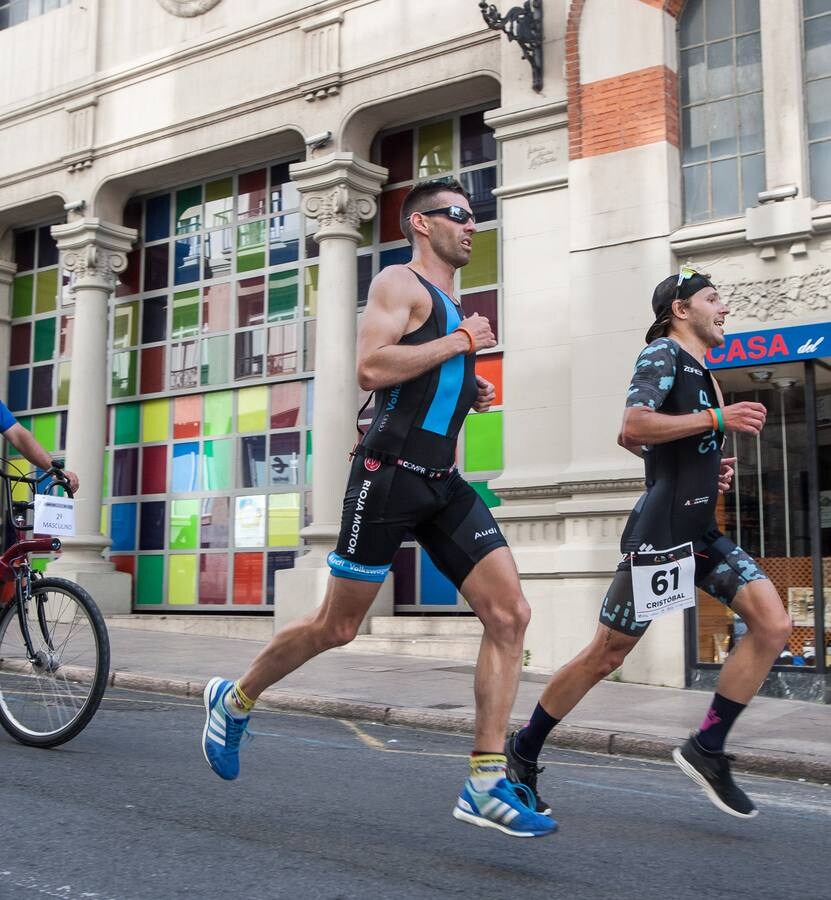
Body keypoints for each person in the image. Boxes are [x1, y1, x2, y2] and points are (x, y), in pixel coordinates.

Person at [201, 178, 556, 839]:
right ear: (421, 224)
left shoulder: (449, 300)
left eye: (474, 216)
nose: (470, 225)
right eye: (457, 214)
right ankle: (236, 696)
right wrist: (456, 346)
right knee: (338, 628)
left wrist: (464, 385)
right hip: (386, 477)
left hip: (443, 482)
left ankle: (483, 781)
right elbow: (369, 367)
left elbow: (416, 373)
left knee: (510, 614)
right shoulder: (400, 284)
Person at [504, 267, 792, 820]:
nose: (724, 308)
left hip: (700, 530)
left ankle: (707, 747)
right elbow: (633, 426)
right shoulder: (662, 355)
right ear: (681, 309)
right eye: (713, 299)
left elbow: (642, 438)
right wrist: (716, 419)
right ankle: (523, 748)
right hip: (661, 536)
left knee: (774, 625)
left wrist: (705, 471)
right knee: (605, 655)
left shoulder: (700, 369)